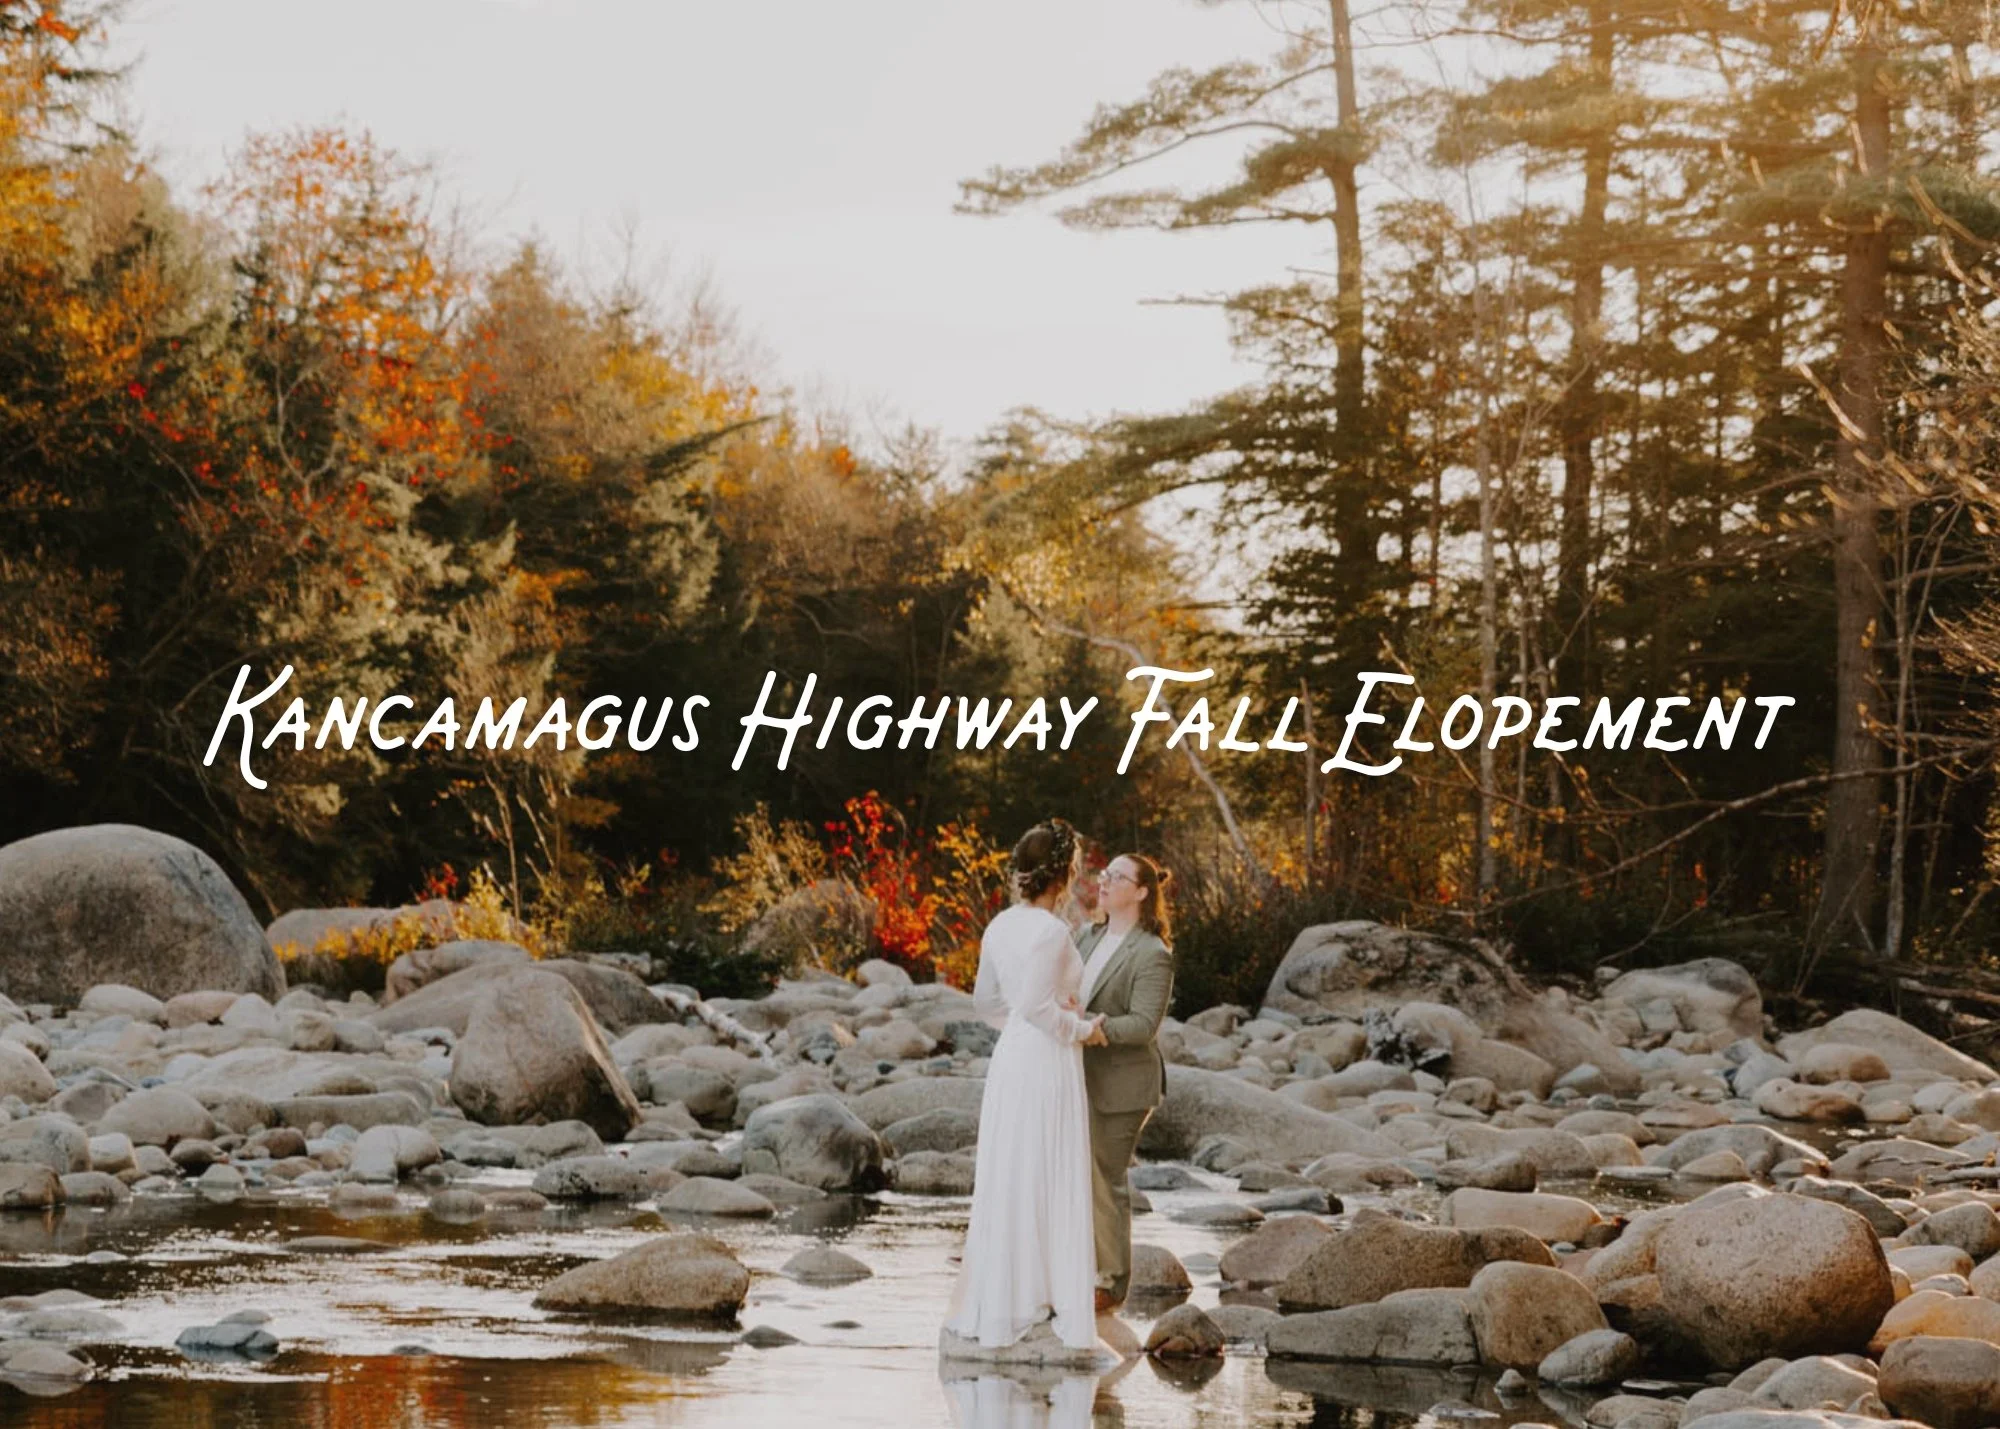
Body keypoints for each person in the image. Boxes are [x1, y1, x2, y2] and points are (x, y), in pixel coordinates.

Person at [940, 818, 1106, 1360]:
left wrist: (1031, 1020)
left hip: (1013, 1056)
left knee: (1014, 1169)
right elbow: (1038, 1007)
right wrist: (1082, 1028)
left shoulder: (1000, 926)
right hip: (1047, 1060)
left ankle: (1010, 1292)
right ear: (1065, 872)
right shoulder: (1053, 931)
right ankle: (1043, 1297)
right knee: (1047, 1167)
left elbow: (988, 1004)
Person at [1076, 853, 1175, 1314]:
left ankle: (1111, 1284)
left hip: (1123, 1085)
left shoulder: (1151, 953)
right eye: (1104, 874)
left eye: (1117, 877)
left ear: (1140, 892)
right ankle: (1076, 1265)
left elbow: (1143, 1025)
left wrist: (1097, 1029)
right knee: (1076, 1174)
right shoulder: (1088, 936)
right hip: (1078, 1075)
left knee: (1105, 1176)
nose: (1105, 881)